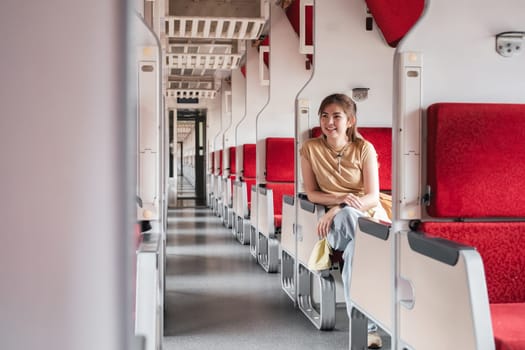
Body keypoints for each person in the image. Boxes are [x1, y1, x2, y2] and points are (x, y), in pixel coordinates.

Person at [300, 93, 388, 349]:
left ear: (350, 121)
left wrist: (338, 207)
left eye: (336, 116)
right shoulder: (310, 148)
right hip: (336, 226)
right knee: (349, 219)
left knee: (353, 253)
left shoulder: (364, 148)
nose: (329, 122)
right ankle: (386, 261)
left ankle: (367, 331)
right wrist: (340, 203)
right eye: (324, 116)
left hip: (365, 216)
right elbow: (312, 193)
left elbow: (372, 197)